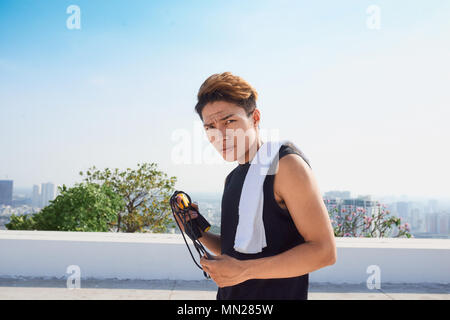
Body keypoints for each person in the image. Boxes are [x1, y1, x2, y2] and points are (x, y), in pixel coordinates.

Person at [179, 71, 336, 300]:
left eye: (229, 121)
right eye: (210, 127)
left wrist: (244, 271)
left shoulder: (286, 165)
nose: (220, 134)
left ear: (255, 118)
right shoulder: (233, 178)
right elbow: (236, 249)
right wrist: (197, 231)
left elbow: (324, 252)